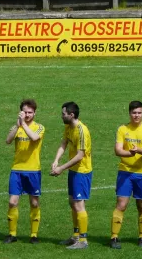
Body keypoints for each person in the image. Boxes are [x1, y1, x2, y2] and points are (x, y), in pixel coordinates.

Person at [110, 101, 142, 249]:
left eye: (139, 113)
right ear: (129, 113)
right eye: (134, 113)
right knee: (121, 204)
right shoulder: (123, 129)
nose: (136, 115)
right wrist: (131, 152)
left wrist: (138, 150)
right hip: (125, 172)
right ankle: (114, 237)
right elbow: (118, 150)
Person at [51, 101, 92, 250]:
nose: (61, 116)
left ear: (71, 115)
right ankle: (76, 236)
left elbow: (80, 155)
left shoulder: (82, 130)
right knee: (72, 202)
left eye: (63, 114)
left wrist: (61, 168)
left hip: (82, 171)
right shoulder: (68, 127)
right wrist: (56, 160)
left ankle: (83, 240)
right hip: (74, 170)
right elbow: (64, 143)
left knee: (79, 204)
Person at [3, 99, 45, 244]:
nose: (27, 115)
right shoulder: (17, 127)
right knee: (12, 202)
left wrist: (24, 125)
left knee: (34, 203)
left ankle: (34, 235)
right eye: (25, 112)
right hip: (17, 170)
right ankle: (12, 234)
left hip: (33, 170)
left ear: (35, 113)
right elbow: (8, 140)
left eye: (30, 112)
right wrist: (17, 125)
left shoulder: (39, 127)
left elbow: (34, 138)